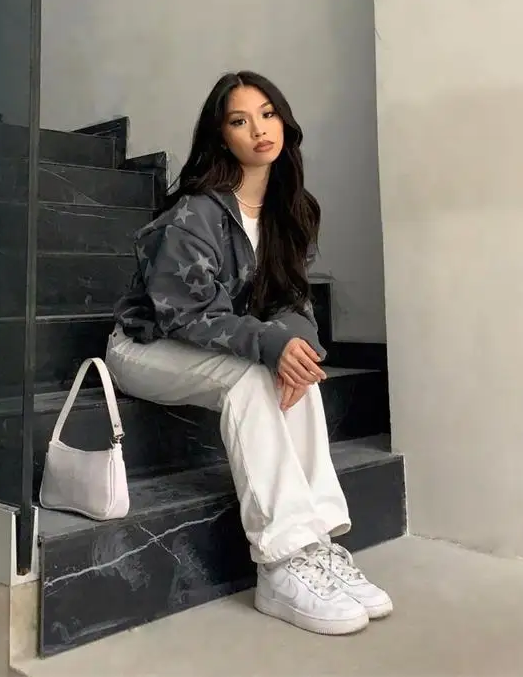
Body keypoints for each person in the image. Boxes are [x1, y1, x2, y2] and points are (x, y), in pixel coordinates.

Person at [106, 71, 392, 636]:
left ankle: (317, 544)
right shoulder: (196, 213)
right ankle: (281, 565)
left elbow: (293, 302)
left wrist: (290, 344)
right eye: (240, 120)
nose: (259, 129)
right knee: (253, 380)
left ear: (284, 121)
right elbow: (182, 313)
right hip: (147, 346)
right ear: (222, 136)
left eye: (267, 114)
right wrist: (267, 344)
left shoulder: (290, 209)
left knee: (298, 373)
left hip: (221, 345)